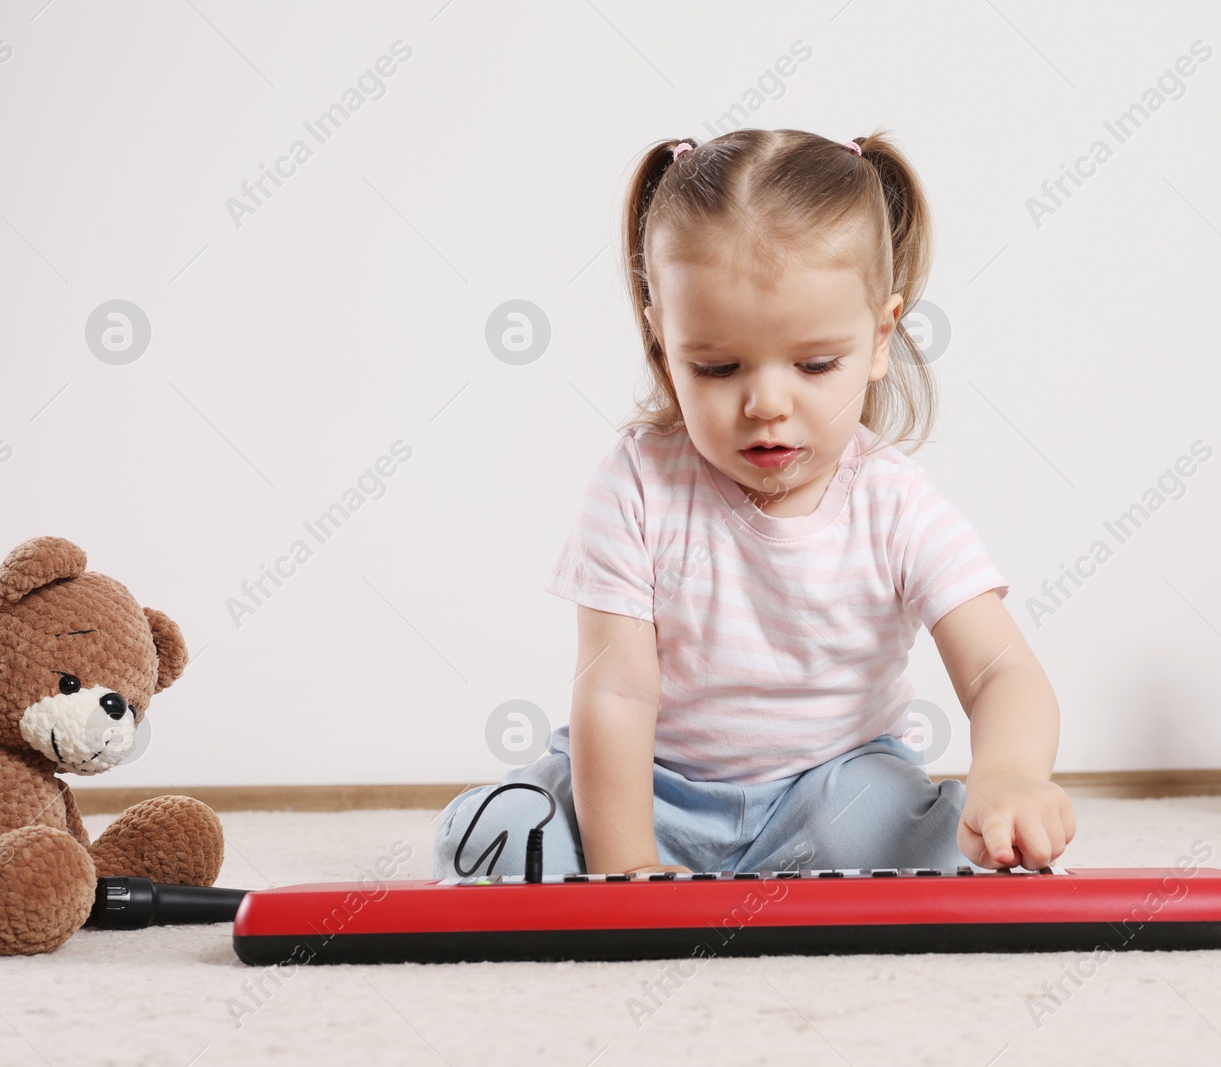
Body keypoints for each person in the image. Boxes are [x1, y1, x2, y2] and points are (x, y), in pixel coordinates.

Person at [432, 128, 1074, 880]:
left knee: (930, 835)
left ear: (879, 339)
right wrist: (628, 870)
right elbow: (616, 691)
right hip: (647, 792)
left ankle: (840, 856)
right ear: (662, 342)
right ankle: (632, 856)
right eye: (717, 366)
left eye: (814, 363)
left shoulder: (896, 502)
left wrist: (1011, 774)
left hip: (828, 794)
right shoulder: (636, 484)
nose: (767, 403)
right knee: (500, 835)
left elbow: (1002, 671)